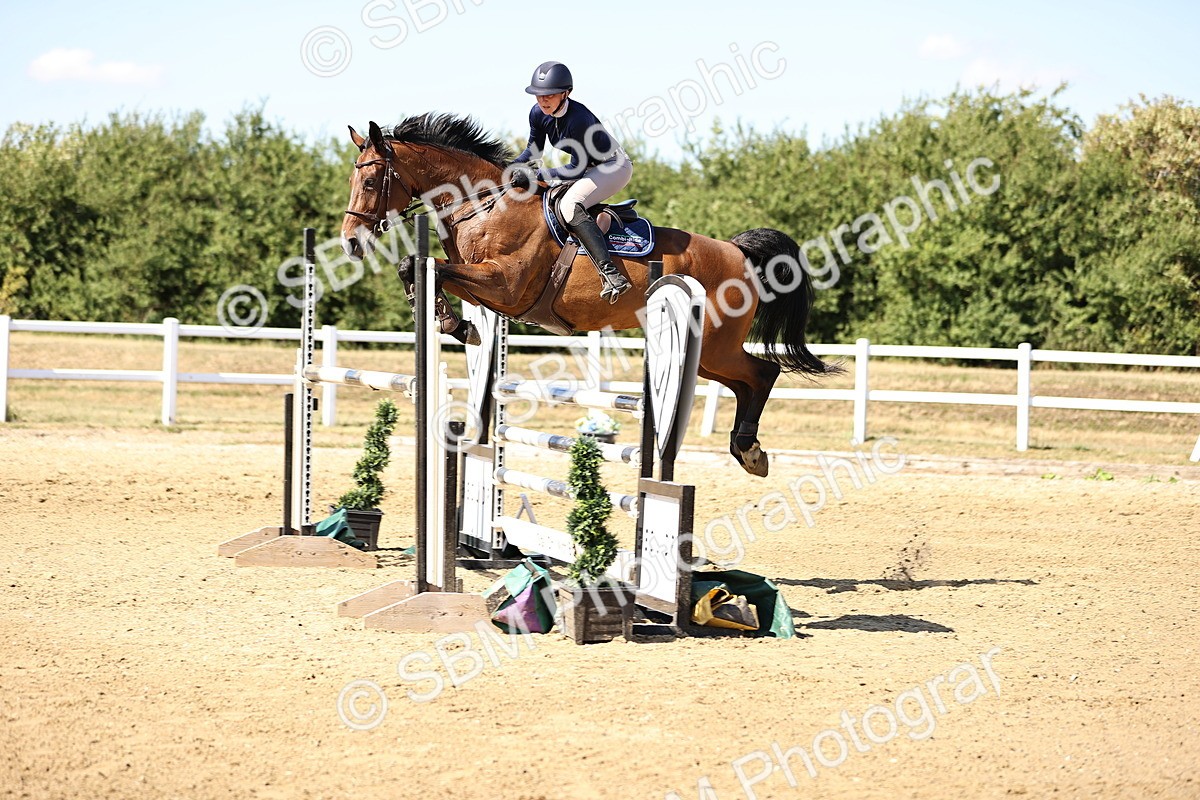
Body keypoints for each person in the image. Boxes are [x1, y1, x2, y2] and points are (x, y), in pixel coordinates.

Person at [510, 60, 633, 303]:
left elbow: (576, 168)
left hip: (613, 167)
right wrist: (506, 168)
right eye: (538, 96)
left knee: (569, 205)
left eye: (550, 95)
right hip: (589, 168)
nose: (543, 101)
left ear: (566, 93)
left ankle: (611, 274)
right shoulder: (537, 114)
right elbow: (533, 154)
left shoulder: (578, 118)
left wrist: (536, 175)